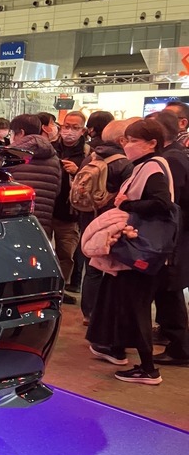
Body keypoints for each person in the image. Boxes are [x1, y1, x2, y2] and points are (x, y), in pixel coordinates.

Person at [86, 119, 173, 385]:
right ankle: (116, 349)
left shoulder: (153, 168)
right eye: (127, 140)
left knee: (137, 308)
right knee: (124, 303)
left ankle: (148, 369)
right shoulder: (146, 166)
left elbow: (162, 204)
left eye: (134, 141)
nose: (128, 145)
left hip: (140, 250)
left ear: (152, 143)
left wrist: (129, 205)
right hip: (133, 249)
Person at [77, 119, 134, 324]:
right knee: (112, 267)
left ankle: (89, 312)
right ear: (122, 139)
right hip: (111, 219)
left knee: (92, 265)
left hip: (88, 216)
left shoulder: (90, 157)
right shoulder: (125, 163)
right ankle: (107, 315)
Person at [144, 111, 189, 366]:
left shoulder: (171, 160)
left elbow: (170, 202)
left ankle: (179, 347)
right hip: (175, 234)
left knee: (169, 289)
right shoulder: (173, 156)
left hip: (173, 236)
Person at [51, 110, 90, 304]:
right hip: (46, 209)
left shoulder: (88, 153)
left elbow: (94, 182)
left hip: (70, 214)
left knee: (66, 254)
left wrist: (78, 171)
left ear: (83, 130)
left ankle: (60, 289)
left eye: (75, 127)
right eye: (66, 126)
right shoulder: (50, 148)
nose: (69, 131)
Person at [6, 113, 62, 236]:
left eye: (12, 133)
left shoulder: (10, 155)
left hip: (14, 223)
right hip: (42, 224)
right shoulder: (53, 157)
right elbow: (57, 190)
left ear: (21, 133)